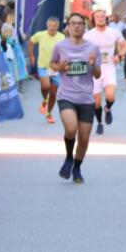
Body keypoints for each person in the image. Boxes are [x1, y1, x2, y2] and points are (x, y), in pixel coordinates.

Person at [50, 13, 101, 184]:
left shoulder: (93, 48)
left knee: (84, 139)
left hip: (86, 98)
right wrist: (60, 67)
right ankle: (68, 158)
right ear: (68, 27)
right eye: (73, 23)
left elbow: (97, 74)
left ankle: (77, 167)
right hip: (67, 95)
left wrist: (93, 65)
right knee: (71, 129)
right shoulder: (60, 46)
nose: (77, 26)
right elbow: (52, 63)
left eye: (80, 23)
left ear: (84, 27)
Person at [83, 9, 123, 134]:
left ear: (106, 18)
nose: (100, 18)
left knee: (110, 95)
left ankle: (108, 108)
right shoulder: (88, 35)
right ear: (93, 19)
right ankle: (100, 122)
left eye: (102, 16)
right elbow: (82, 50)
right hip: (95, 70)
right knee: (96, 102)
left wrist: (119, 56)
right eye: (97, 16)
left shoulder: (114, 32)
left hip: (109, 68)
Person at [28, 17, 65, 124]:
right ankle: (45, 100)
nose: (52, 28)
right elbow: (31, 41)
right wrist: (31, 56)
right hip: (43, 66)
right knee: (46, 86)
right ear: (47, 26)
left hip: (56, 68)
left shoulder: (61, 37)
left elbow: (65, 50)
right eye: (50, 26)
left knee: (53, 93)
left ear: (57, 27)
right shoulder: (41, 35)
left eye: (54, 26)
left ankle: (48, 113)